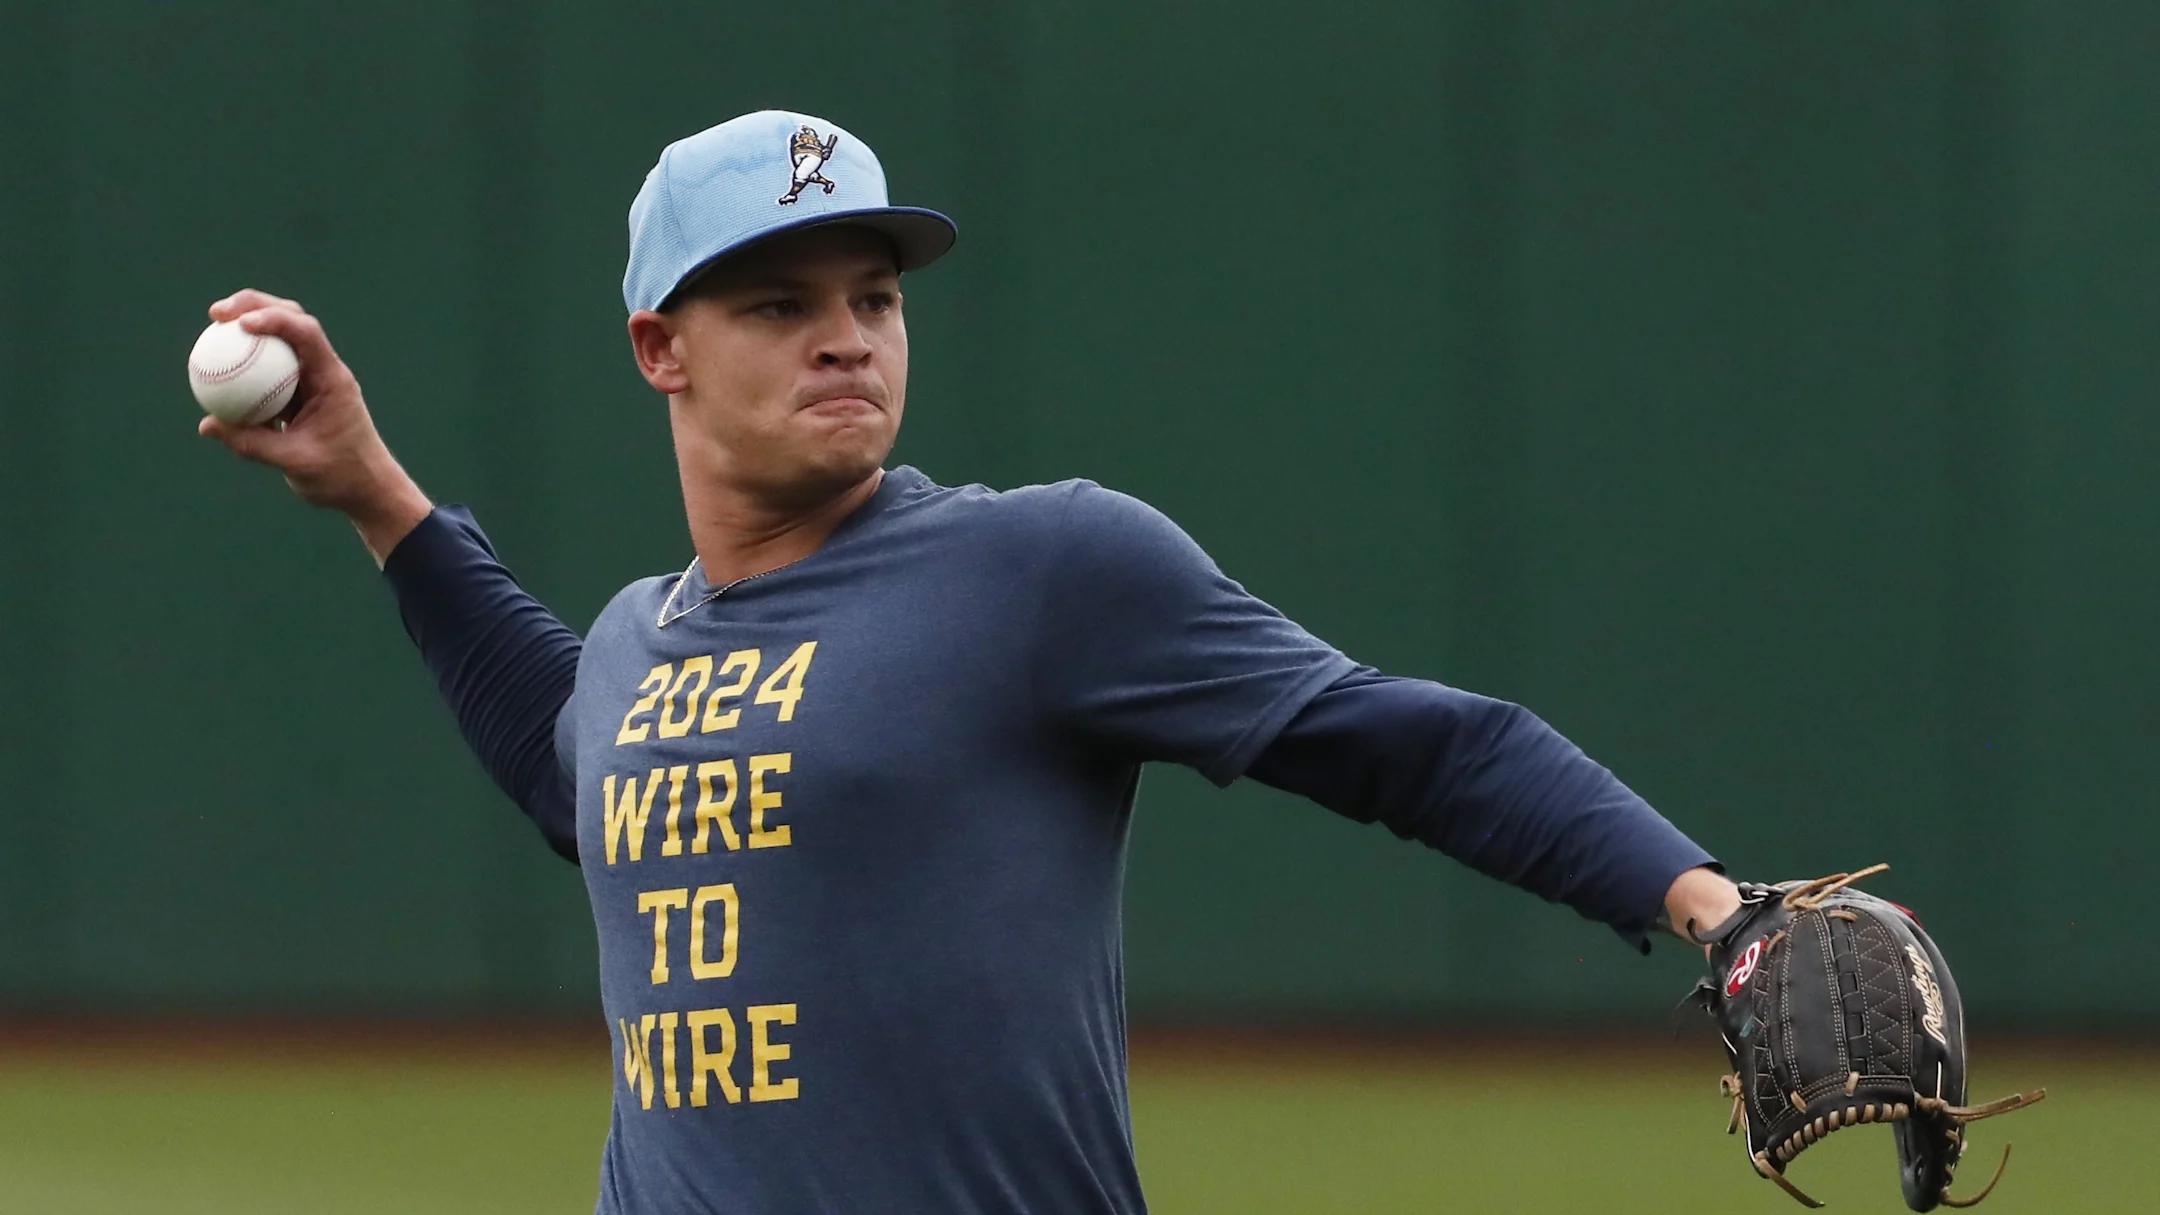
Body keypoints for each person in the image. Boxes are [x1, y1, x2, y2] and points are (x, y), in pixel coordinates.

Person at [197, 109, 1742, 1215]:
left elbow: (1412, 743)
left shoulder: (1042, 570)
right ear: (661, 347)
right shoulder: (633, 645)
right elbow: (569, 762)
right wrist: (377, 496)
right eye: (780, 302)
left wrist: (1717, 914)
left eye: (874, 296)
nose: (849, 338)